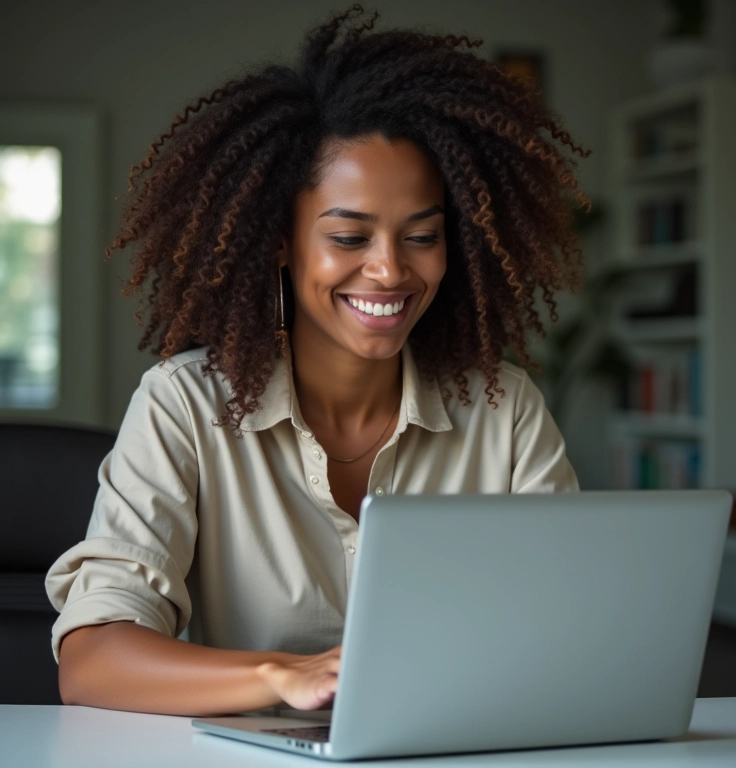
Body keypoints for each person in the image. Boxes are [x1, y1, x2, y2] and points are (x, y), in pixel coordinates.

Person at [46, 4, 590, 717]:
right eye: (350, 236)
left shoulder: (502, 409)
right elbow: (92, 662)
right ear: (280, 239)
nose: (390, 270)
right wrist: (281, 676)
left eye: (421, 236)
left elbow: (577, 629)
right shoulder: (183, 405)